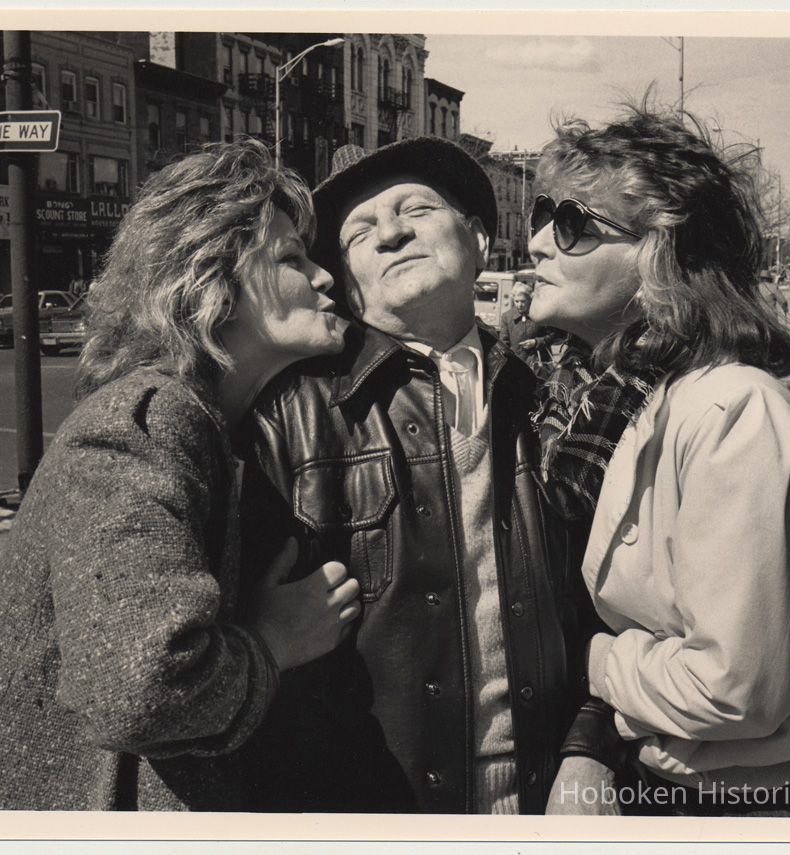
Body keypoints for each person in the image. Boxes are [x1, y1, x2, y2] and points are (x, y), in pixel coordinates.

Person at [0, 141, 363, 811]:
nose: (324, 276)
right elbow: (139, 687)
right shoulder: (147, 419)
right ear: (208, 279)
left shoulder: (208, 424)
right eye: (291, 258)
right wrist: (273, 642)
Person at [526, 105, 790, 818]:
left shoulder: (729, 411)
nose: (539, 241)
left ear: (658, 253)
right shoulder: (606, 402)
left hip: (781, 796)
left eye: (572, 223)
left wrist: (595, 661)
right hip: (694, 775)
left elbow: (736, 688)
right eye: (543, 213)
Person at [236, 137, 616, 814]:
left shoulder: (559, 396)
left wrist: (591, 750)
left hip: (544, 801)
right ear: (343, 278)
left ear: (477, 238)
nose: (390, 232)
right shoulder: (287, 415)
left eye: (415, 206)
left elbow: (610, 604)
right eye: (359, 230)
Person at [498, 281, 560, 370]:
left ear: (530, 300)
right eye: (516, 301)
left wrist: (536, 342)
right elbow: (503, 342)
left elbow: (553, 335)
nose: (519, 305)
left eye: (523, 301)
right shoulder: (507, 316)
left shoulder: (540, 314)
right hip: (515, 363)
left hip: (538, 364)